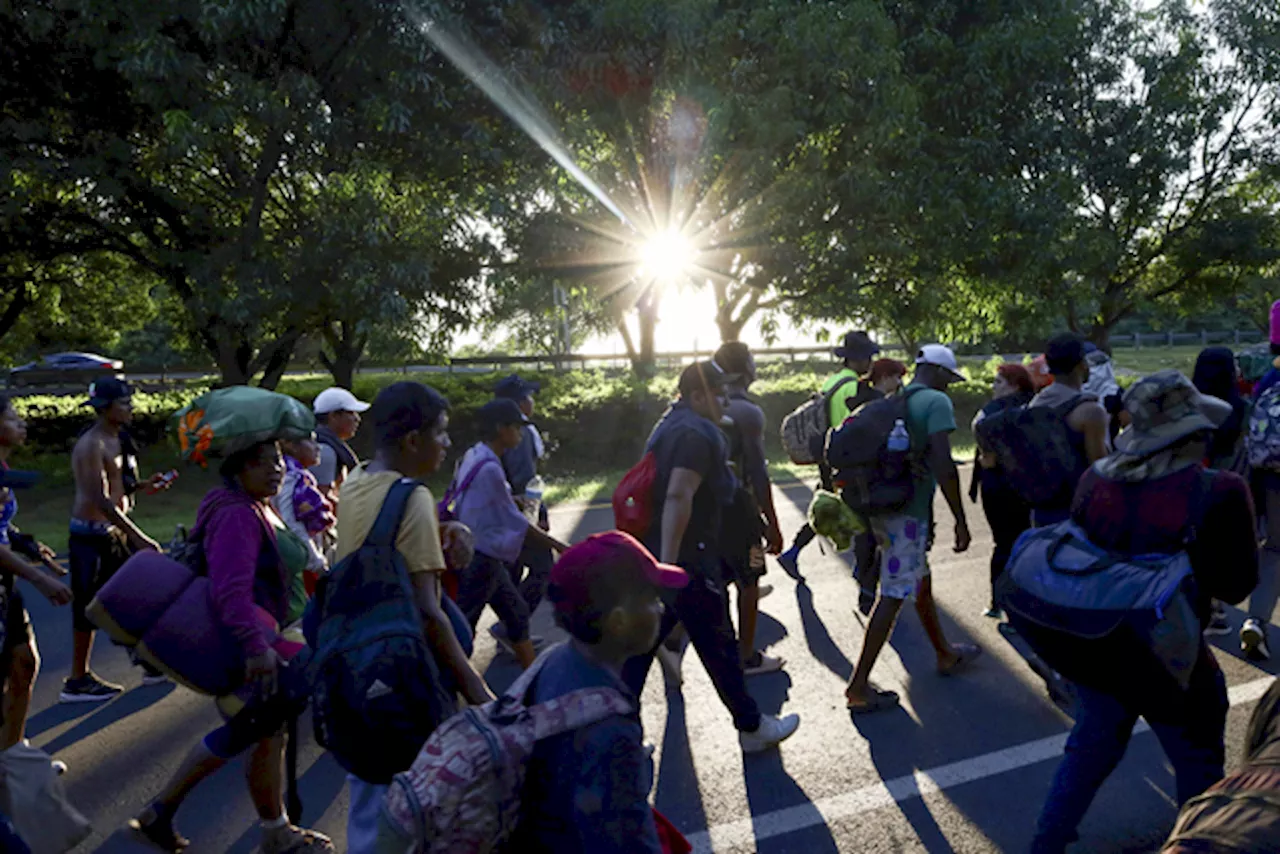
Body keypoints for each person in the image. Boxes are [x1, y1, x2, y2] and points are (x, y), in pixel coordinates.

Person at [1029, 370, 1258, 854]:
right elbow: (1237, 584)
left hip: (1098, 643)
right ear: (1193, 433)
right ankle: (1198, 844)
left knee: (1089, 749)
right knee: (1197, 761)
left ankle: (1045, 845)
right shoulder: (1219, 489)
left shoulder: (1096, 479)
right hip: (1173, 658)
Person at [129, 440, 332, 853]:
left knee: (266, 732)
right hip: (252, 642)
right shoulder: (237, 514)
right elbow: (231, 591)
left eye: (277, 461)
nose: (274, 470)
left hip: (266, 636)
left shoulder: (249, 503)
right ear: (239, 470)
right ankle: (161, 811)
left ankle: (275, 828)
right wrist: (256, 646)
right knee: (250, 727)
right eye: (261, 463)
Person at [334, 382, 494, 852]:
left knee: (371, 793)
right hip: (406, 676)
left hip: (357, 664)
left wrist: (443, 529)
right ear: (412, 441)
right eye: (440, 433)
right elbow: (428, 612)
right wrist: (478, 693)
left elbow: (377, 543)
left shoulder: (359, 480)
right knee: (418, 803)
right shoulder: (413, 497)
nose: (447, 443)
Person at [623, 361, 800, 753]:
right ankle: (751, 727)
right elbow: (678, 495)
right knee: (718, 643)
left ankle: (620, 737)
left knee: (641, 649)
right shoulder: (696, 434)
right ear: (697, 396)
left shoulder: (669, 424)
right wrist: (667, 567)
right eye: (718, 392)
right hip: (687, 555)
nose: (724, 399)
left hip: (671, 552)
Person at [509, 531, 688, 853]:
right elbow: (627, 841)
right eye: (651, 598)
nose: (660, 608)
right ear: (618, 621)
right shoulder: (609, 727)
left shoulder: (553, 661)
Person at [845, 345, 982, 715]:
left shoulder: (894, 398)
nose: (950, 387)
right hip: (905, 514)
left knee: (918, 577)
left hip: (883, 509)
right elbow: (944, 464)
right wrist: (960, 518)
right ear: (937, 373)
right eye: (949, 379)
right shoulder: (935, 402)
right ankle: (858, 688)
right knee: (892, 594)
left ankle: (944, 653)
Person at [63, 377, 172, 702]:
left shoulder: (118, 438)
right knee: (87, 609)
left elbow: (117, 485)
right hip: (89, 537)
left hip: (114, 532)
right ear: (105, 408)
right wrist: (139, 537)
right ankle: (77, 680)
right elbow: (100, 500)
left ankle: (146, 660)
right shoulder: (91, 445)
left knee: (132, 594)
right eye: (124, 403)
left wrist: (143, 487)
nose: (130, 408)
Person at [453, 398, 569, 669]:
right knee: (462, 628)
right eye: (517, 427)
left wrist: (512, 499)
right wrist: (559, 546)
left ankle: (530, 680)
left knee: (515, 615)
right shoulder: (491, 468)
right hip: (481, 555)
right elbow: (519, 524)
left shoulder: (475, 455)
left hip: (481, 552)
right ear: (500, 429)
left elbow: (489, 499)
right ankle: (447, 685)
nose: (521, 433)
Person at [0, 396, 74, 759]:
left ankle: (13, 754)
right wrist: (40, 579)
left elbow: (1, 526)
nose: (21, 424)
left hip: (6, 582)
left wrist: (28, 545)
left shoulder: (3, 467)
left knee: (25, 663)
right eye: (12, 418)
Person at [778, 330, 882, 582]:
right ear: (855, 359)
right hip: (841, 459)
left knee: (829, 507)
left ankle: (793, 553)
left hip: (826, 455)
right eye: (867, 357)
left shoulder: (833, 381)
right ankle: (861, 571)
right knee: (855, 514)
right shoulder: (851, 387)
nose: (870, 362)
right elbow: (848, 425)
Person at [714, 342, 784, 676]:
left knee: (711, 579)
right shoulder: (747, 412)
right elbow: (757, 472)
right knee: (749, 578)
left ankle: (671, 642)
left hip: (702, 509)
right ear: (746, 368)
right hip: (738, 510)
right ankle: (747, 657)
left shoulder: (699, 405)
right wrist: (771, 521)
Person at [1192, 347, 1251, 639]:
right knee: (1220, 547)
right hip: (1229, 486)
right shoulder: (1241, 407)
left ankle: (1195, 610)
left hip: (1190, 486)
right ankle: (1216, 610)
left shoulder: (1189, 406)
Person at [971, 363, 1036, 618]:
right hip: (1031, 485)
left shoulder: (988, 413)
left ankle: (999, 602)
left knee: (1003, 544)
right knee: (1027, 542)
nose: (993, 386)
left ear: (1014, 384)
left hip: (997, 486)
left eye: (999, 382)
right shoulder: (1037, 405)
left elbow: (987, 457)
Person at [495, 374, 555, 644]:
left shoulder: (496, 434)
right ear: (518, 404)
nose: (532, 401)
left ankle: (511, 629)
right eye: (528, 397)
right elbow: (524, 480)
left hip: (504, 509)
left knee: (513, 569)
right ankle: (512, 629)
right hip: (521, 509)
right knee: (543, 568)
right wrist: (534, 517)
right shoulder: (522, 434)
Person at [1025, 334, 1109, 527]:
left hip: (1042, 509)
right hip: (1080, 510)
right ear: (1082, 364)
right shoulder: (1090, 412)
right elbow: (1100, 468)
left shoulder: (1036, 404)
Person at [272, 436, 334, 600]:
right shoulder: (291, 477)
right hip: (301, 564)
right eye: (311, 441)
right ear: (290, 444)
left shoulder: (299, 475)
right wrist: (316, 561)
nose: (318, 448)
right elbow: (290, 522)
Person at [310, 387, 368, 502]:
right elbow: (322, 498)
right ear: (334, 416)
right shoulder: (324, 450)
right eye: (351, 412)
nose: (357, 419)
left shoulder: (330, 445)